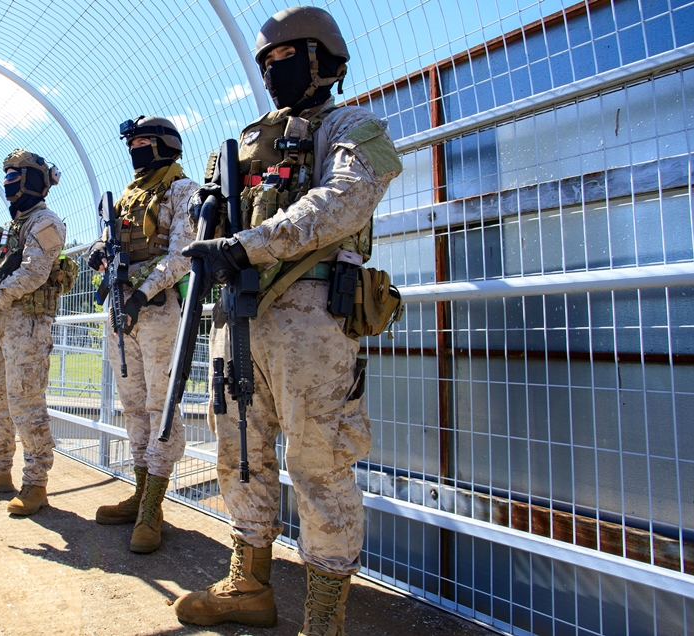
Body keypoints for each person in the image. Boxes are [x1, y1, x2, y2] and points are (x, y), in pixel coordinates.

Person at [171, 7, 402, 635]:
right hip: (239, 316)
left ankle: (323, 618)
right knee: (238, 452)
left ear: (322, 61)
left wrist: (247, 244)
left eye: (285, 57)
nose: (273, 71)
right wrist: (209, 218)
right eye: (265, 62)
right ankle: (247, 584)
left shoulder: (353, 127)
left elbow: (343, 201)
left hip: (314, 321)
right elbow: (206, 230)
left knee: (319, 462)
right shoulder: (248, 143)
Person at [86, 117, 199, 553]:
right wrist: (99, 250)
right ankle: (139, 493)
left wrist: (142, 293)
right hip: (121, 311)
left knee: (160, 406)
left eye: (143, 142)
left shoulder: (183, 190)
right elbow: (107, 241)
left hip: (156, 311)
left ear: (166, 144)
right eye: (131, 144)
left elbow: (182, 255)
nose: (135, 149)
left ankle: (153, 506)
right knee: (132, 406)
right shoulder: (126, 197)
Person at [0, 149, 68, 517]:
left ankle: (35, 483)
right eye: (6, 175)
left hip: (27, 325)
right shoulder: (11, 227)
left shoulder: (45, 222)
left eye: (14, 175)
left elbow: (34, 272)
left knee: (26, 400)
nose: (8, 182)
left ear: (32, 180)